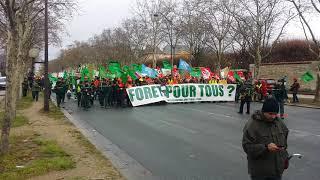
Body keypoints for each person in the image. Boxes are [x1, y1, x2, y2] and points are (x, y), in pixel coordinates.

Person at [242, 98, 289, 180]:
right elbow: (247, 147)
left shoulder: (279, 123)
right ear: (264, 111)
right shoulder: (253, 125)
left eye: (275, 114)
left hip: (277, 171)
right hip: (260, 173)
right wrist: (265, 147)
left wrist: (284, 158)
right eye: (270, 113)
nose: (273, 116)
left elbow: (284, 143)